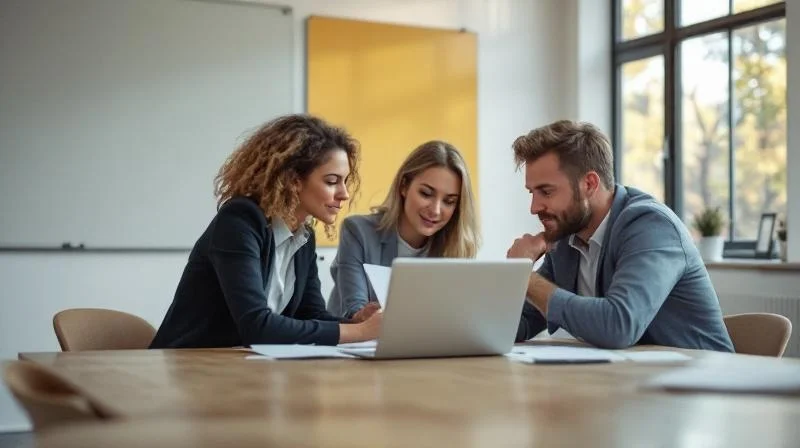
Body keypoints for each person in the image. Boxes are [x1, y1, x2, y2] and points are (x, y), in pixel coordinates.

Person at [150, 114, 382, 349]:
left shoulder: (303, 236)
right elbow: (256, 327)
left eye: (345, 182)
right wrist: (360, 331)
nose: (344, 194)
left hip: (241, 368)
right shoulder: (239, 222)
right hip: (188, 366)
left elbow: (309, 315)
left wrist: (356, 322)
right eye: (332, 181)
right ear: (294, 180)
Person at [507, 120, 734, 351]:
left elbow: (619, 326)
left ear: (589, 184)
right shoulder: (567, 237)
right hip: (630, 378)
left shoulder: (651, 226)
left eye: (546, 191)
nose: (534, 207)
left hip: (704, 378)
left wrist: (523, 275)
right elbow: (522, 321)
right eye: (532, 193)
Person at [327, 140, 480, 318]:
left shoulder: (455, 248)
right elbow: (354, 311)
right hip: (357, 342)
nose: (436, 210)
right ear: (404, 186)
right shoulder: (358, 231)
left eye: (449, 201)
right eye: (426, 194)